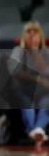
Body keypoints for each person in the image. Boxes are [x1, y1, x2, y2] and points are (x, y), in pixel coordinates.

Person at [7, 21, 49, 149]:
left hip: (43, 92)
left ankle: (35, 131)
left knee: (46, 103)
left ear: (40, 36)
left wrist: (35, 52)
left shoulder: (46, 53)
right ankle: (36, 131)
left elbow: (46, 71)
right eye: (28, 33)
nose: (31, 35)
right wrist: (38, 80)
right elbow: (14, 70)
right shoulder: (18, 51)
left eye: (35, 32)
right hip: (22, 89)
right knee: (27, 103)